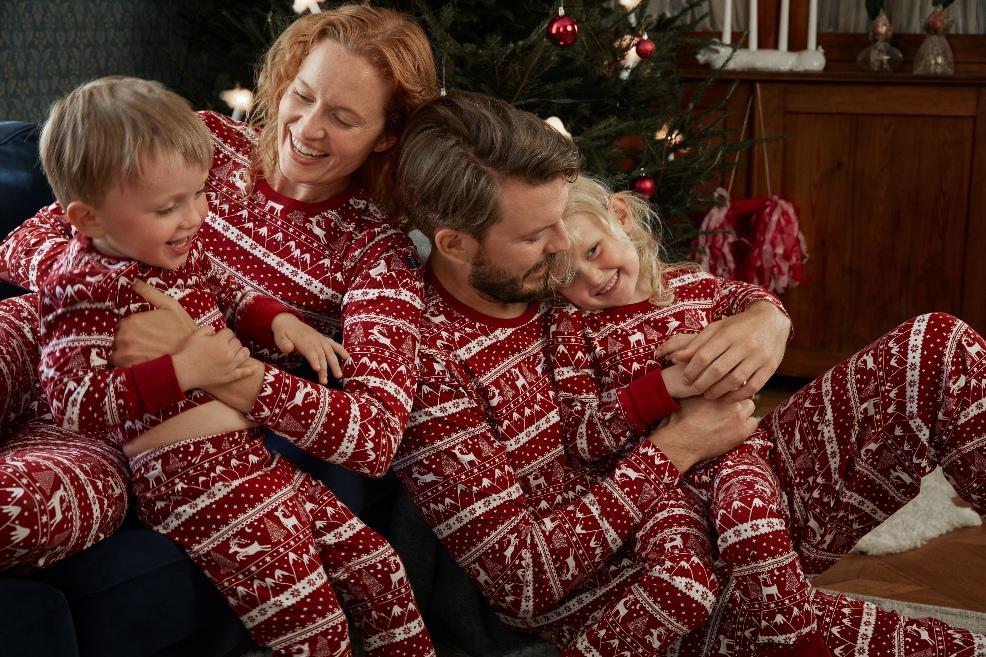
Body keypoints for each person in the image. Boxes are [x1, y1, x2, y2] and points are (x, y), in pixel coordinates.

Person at [391, 90, 986, 656]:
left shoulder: (551, 271)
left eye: (562, 224)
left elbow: (671, 291)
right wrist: (679, 444)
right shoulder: (429, 365)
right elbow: (523, 580)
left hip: (738, 487)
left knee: (940, 345)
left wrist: (764, 318)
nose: (561, 247)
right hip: (645, 582)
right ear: (456, 245)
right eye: (534, 236)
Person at [0, 3, 435, 595]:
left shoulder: (375, 251)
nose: (307, 129)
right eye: (302, 96)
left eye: (342, 118)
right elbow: (28, 239)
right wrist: (112, 295)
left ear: (387, 135)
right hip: (43, 336)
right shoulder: (206, 140)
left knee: (20, 514)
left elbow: (372, 435)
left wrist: (203, 357)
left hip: (143, 436)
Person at [548, 174, 826, 655]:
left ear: (619, 216)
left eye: (592, 251)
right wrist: (667, 386)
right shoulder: (573, 329)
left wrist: (763, 319)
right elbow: (583, 435)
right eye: (568, 277)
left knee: (755, 528)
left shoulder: (693, 284)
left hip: (735, 456)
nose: (592, 277)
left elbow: (758, 307)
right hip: (658, 487)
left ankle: (798, 644)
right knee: (680, 576)